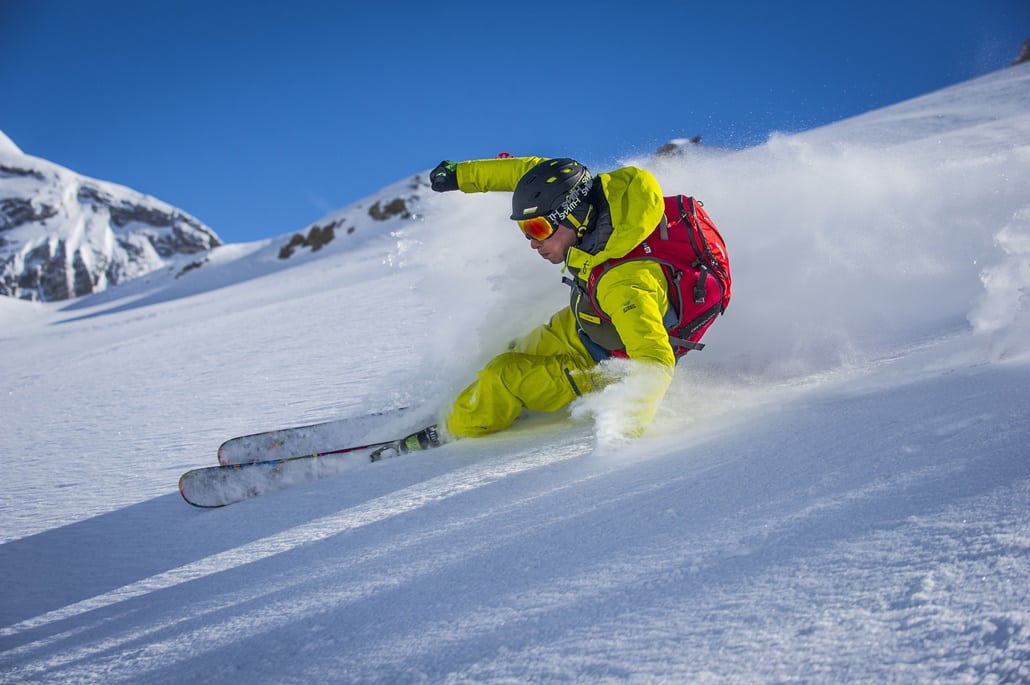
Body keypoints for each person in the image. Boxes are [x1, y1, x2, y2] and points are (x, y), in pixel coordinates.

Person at [372, 156, 729, 460]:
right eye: (526, 229)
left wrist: (624, 436)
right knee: (514, 349)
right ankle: (483, 402)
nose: (532, 242)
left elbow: (654, 361)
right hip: (589, 323)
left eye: (538, 228)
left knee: (504, 375)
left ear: (573, 218)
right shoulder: (593, 193)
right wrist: (462, 175)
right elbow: (528, 173)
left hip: (603, 366)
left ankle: (452, 430)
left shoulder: (626, 283)